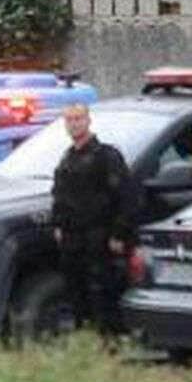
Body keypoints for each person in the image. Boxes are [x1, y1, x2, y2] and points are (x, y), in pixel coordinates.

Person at [51, 103, 137, 336]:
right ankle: (85, 343)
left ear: (88, 121)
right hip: (73, 239)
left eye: (78, 118)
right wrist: (58, 225)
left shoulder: (106, 156)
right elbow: (60, 195)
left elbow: (125, 196)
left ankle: (108, 344)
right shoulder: (67, 157)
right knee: (76, 294)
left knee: (102, 294)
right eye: (69, 119)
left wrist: (119, 233)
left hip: (99, 236)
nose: (74, 124)